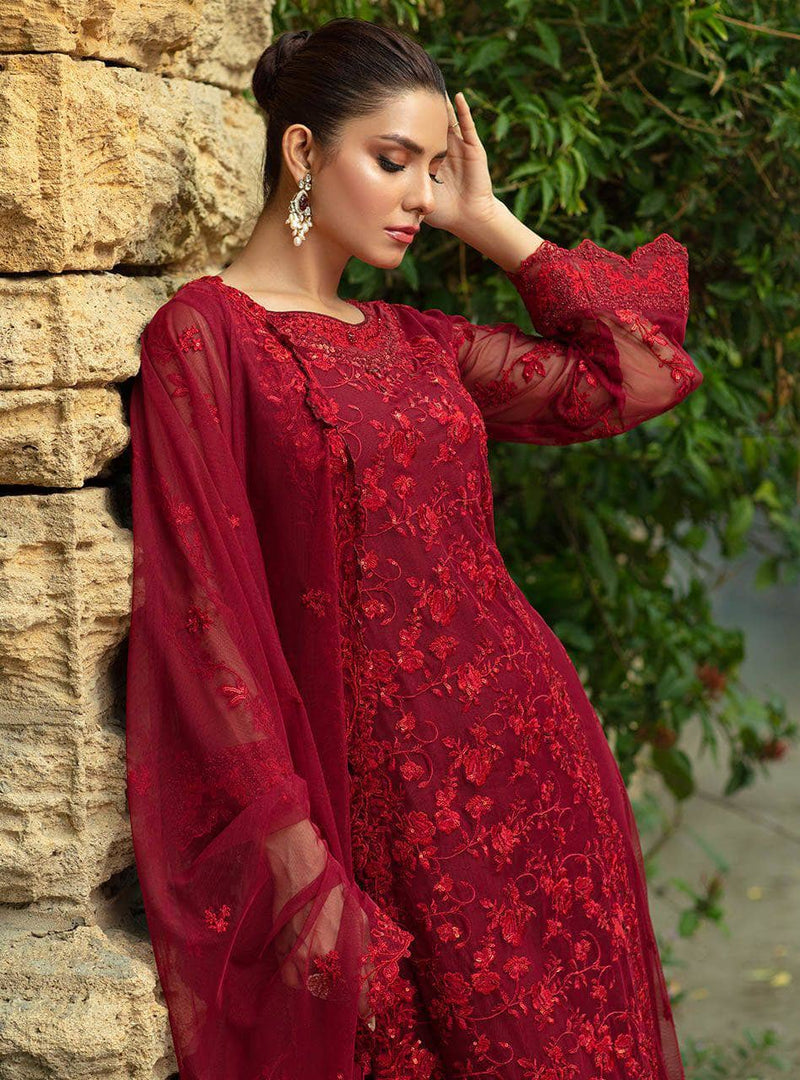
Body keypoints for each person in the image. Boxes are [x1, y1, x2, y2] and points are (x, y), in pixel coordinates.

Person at [125, 16, 703, 1080]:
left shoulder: (418, 342)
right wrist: (295, 865)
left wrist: (488, 220)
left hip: (534, 770)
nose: (418, 199)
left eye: (434, 171)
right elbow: (202, 614)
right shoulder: (207, 336)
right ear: (303, 150)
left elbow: (638, 374)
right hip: (390, 807)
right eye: (393, 161)